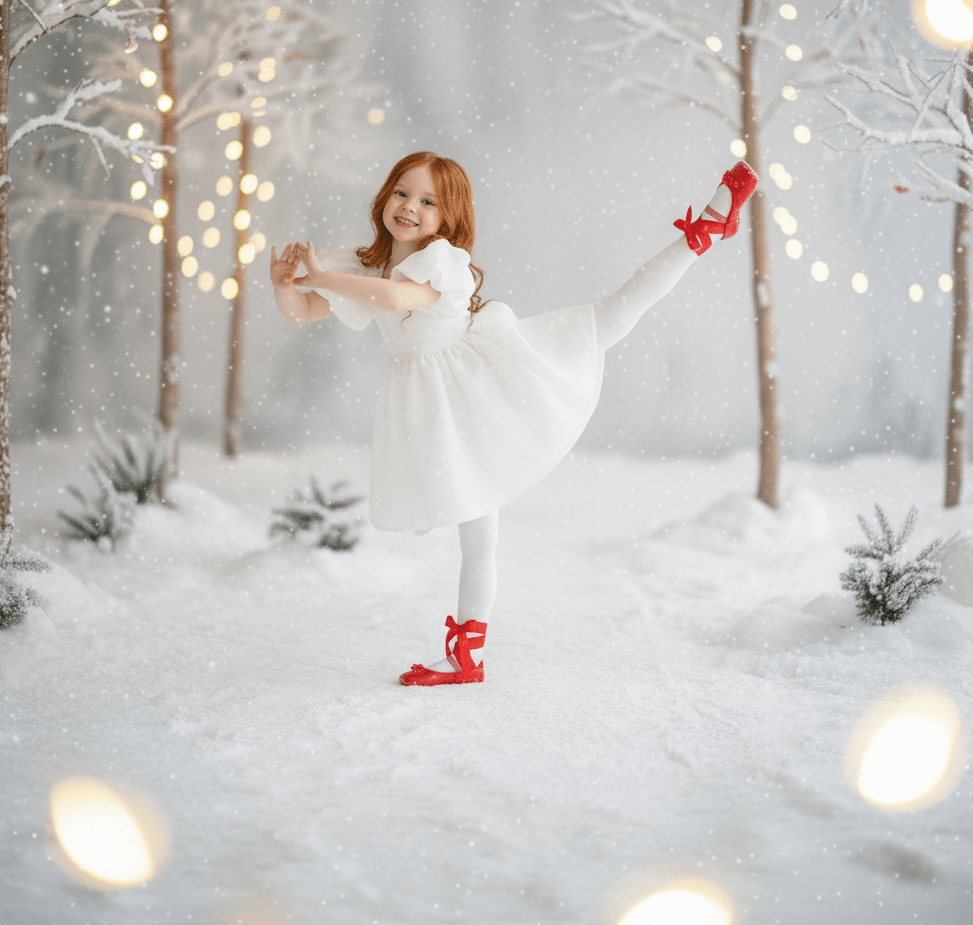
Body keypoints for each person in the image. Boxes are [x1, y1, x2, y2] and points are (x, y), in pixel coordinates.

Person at [270, 151, 757, 687]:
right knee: (478, 536)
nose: (410, 207)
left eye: (428, 201)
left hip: (485, 382)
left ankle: (704, 232)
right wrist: (287, 286)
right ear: (385, 195)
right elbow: (304, 312)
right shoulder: (366, 267)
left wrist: (324, 278)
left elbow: (396, 296)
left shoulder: (441, 262)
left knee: (610, 316)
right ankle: (468, 655)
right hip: (441, 408)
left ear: (449, 216)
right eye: (402, 193)